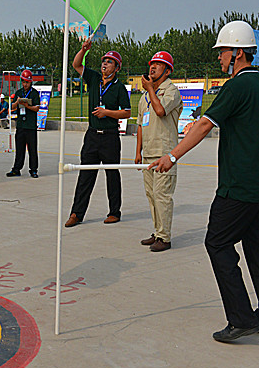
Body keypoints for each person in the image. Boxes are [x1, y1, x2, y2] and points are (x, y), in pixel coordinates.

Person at [151, 20, 259, 343]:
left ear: (238, 53)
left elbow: (204, 125)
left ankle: (241, 318)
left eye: (222, 51)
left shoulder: (235, 87)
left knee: (217, 243)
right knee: (257, 248)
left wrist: (172, 156)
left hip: (238, 188)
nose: (219, 57)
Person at [65, 40, 131, 227]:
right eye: (104, 61)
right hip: (92, 135)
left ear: (116, 68)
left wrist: (107, 112)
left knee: (112, 175)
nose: (105, 64)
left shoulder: (119, 87)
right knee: (85, 175)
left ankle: (114, 212)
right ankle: (76, 213)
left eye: (109, 62)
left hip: (110, 136)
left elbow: (126, 112)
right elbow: (76, 64)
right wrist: (83, 50)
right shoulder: (94, 78)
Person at [135, 51, 182, 252]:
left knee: (162, 195)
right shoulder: (145, 96)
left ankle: (164, 237)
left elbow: (161, 111)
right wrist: (138, 152)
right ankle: (157, 231)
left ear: (167, 70)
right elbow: (140, 124)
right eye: (152, 64)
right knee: (151, 196)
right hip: (148, 153)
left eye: (158, 64)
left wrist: (150, 90)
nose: (152, 67)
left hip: (164, 153)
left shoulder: (171, 91)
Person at [6, 69, 41, 178]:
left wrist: (27, 106)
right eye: (24, 82)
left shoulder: (34, 93)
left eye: (27, 82)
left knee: (32, 149)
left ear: (31, 82)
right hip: (21, 125)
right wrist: (17, 102)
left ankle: (33, 170)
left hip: (30, 126)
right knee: (19, 149)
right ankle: (16, 169)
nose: (25, 84)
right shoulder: (19, 93)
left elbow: (37, 108)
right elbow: (11, 107)